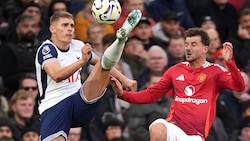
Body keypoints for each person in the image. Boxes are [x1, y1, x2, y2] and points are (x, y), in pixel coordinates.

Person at [110, 27, 245, 141]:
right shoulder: (175, 70)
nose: (188, 48)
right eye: (186, 44)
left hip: (195, 136)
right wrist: (123, 94)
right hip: (174, 128)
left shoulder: (215, 71)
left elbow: (239, 87)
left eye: (193, 44)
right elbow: (151, 94)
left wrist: (230, 64)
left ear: (205, 49)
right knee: (158, 127)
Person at [35, 10, 141, 141]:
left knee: (103, 65)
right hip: (55, 105)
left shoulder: (78, 45)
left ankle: (120, 40)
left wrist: (125, 80)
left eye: (72, 26)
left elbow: (100, 62)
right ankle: (119, 41)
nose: (69, 29)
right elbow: (56, 75)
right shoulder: (47, 49)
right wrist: (82, 61)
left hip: (80, 100)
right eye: (65, 25)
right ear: (53, 29)